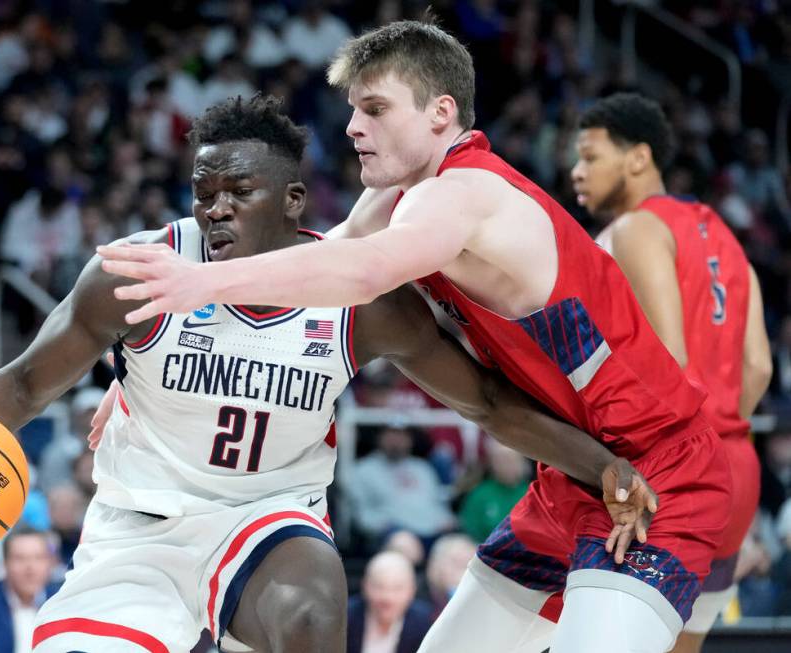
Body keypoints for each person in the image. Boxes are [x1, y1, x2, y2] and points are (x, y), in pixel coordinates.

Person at [0, 96, 650, 653]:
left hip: (266, 519)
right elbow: (27, 382)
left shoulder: (360, 302)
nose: (217, 210)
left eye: (240, 192)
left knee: (314, 607)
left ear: (293, 201)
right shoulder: (139, 274)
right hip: (139, 525)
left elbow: (483, 399)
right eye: (205, 193)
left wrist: (602, 462)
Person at [97, 22, 732, 653]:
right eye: (352, 110)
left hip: (661, 470)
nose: (352, 128)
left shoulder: (467, 194)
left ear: (440, 113)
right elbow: (298, 286)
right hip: (575, 470)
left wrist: (201, 284)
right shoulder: (400, 198)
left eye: (374, 109)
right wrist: (144, 379)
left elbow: (357, 275)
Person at [571, 92, 773, 652]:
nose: (576, 172)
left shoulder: (633, 229)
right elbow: (758, 366)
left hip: (666, 471)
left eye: (590, 157)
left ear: (638, 158)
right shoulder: (727, 235)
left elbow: (668, 363)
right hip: (736, 470)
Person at [346, 551, 431, 653]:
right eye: (379, 587)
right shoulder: (345, 617)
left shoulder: (425, 623)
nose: (387, 597)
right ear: (365, 586)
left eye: (397, 588)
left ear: (412, 590)